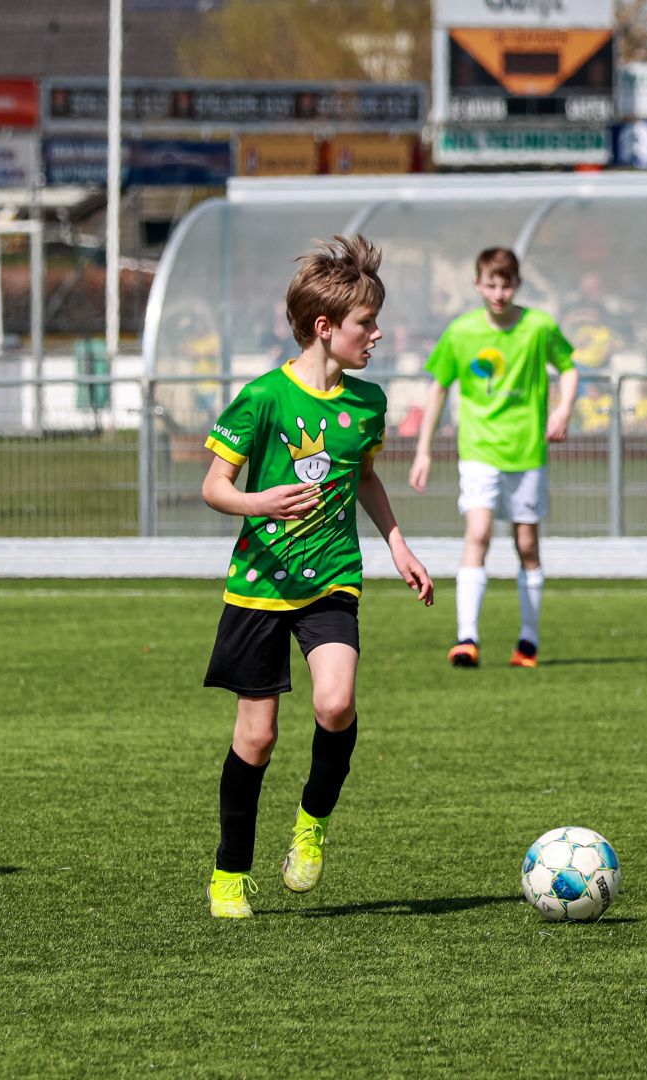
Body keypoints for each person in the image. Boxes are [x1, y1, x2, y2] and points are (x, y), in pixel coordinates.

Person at [200, 235, 434, 919]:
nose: (378, 334)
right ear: (325, 327)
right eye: (367, 322)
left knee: (335, 704)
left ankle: (312, 824)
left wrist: (398, 544)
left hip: (332, 575)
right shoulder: (264, 397)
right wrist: (259, 503)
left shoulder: (368, 403)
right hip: (260, 585)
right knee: (257, 738)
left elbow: (365, 477)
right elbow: (214, 486)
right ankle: (229, 874)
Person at [408, 247, 578, 669]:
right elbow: (438, 387)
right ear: (477, 284)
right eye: (491, 284)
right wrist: (424, 450)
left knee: (527, 544)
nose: (499, 293)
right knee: (478, 534)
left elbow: (569, 367)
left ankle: (528, 641)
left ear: (518, 284)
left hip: (527, 450)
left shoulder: (539, 326)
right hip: (479, 450)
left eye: (506, 284)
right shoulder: (461, 331)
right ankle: (466, 638)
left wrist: (563, 409)